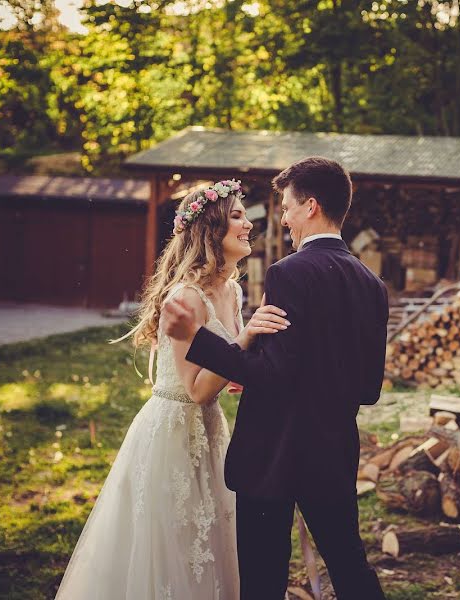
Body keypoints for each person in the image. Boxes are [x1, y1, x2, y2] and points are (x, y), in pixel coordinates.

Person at [162, 157, 389, 600]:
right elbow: (369, 388)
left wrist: (197, 338)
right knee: (350, 566)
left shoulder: (289, 273)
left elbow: (274, 375)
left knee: (263, 580)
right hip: (333, 454)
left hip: (273, 455)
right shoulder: (372, 285)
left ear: (311, 206)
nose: (282, 218)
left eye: (286, 207)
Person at [55, 180, 289, 599]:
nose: (248, 224)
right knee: (173, 546)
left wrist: (241, 367)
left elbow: (222, 369)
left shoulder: (232, 291)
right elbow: (197, 388)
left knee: (214, 537)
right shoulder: (186, 297)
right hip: (173, 431)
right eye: (237, 216)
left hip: (211, 431)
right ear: (211, 230)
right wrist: (248, 337)